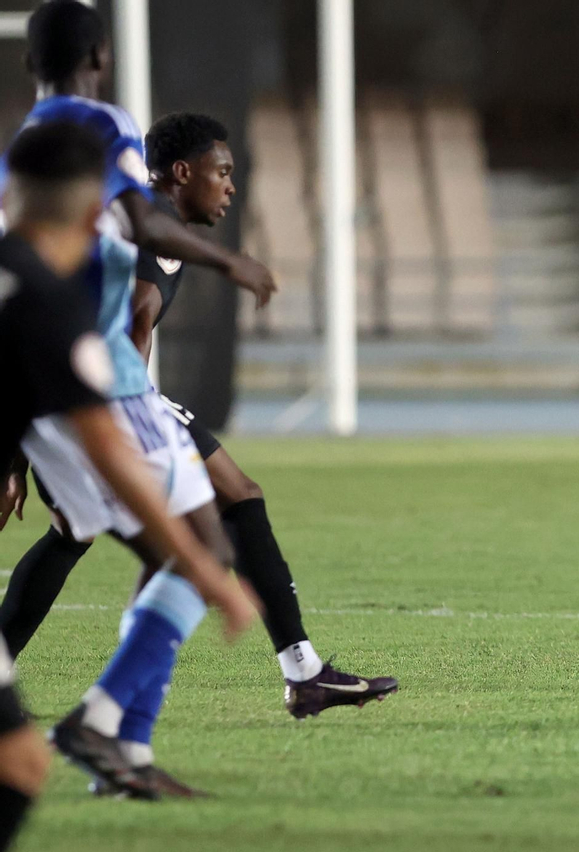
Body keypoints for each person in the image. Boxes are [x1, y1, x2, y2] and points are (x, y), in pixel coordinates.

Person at [0, 110, 398, 719]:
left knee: (80, 534)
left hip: (69, 398)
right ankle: (131, 718)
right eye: (223, 173)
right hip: (103, 399)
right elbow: (133, 321)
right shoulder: (146, 229)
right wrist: (132, 413)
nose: (231, 187)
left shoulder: (148, 232)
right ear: (181, 173)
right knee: (221, 518)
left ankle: (131, 717)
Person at [0, 0, 275, 799]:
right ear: (101, 52)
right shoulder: (99, 125)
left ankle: (131, 754)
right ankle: (103, 720)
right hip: (99, 373)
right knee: (200, 552)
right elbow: (140, 222)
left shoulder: (20, 147)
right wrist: (230, 265)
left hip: (49, 384)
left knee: (161, 555)